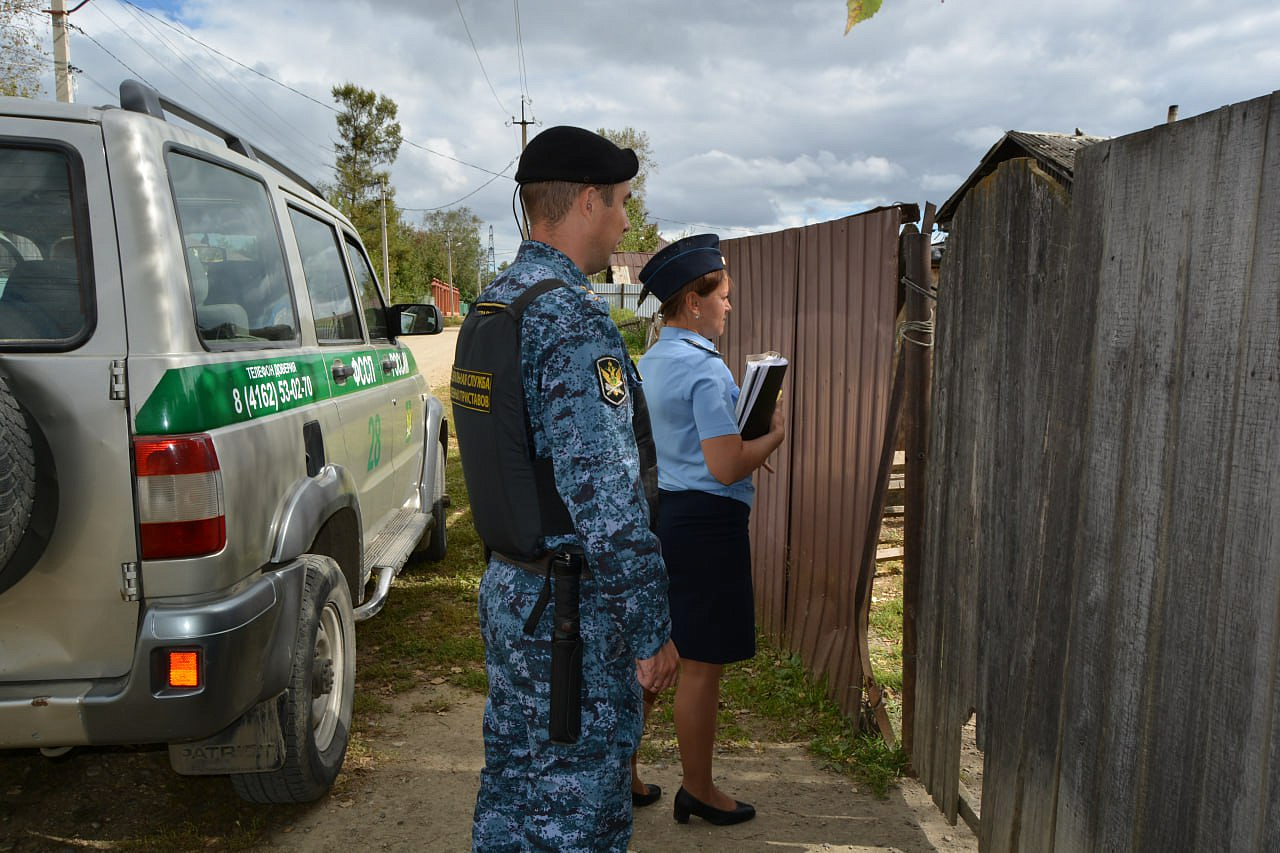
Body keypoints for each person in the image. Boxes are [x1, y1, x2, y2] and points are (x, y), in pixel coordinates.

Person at [459, 125, 679, 852]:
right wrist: (650, 629)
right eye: (619, 203)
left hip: (513, 593)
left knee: (514, 797)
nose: (623, 221)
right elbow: (609, 499)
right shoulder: (571, 319)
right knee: (579, 816)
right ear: (586, 200)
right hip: (569, 622)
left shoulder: (492, 307)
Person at [634, 234, 786, 827]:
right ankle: (697, 788)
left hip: (668, 516)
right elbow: (724, 464)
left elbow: (691, 448)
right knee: (700, 665)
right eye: (722, 296)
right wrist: (773, 434)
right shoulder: (703, 370)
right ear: (692, 303)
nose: (729, 305)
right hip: (709, 526)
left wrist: (741, 445)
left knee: (659, 656)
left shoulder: (650, 361)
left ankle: (622, 767)